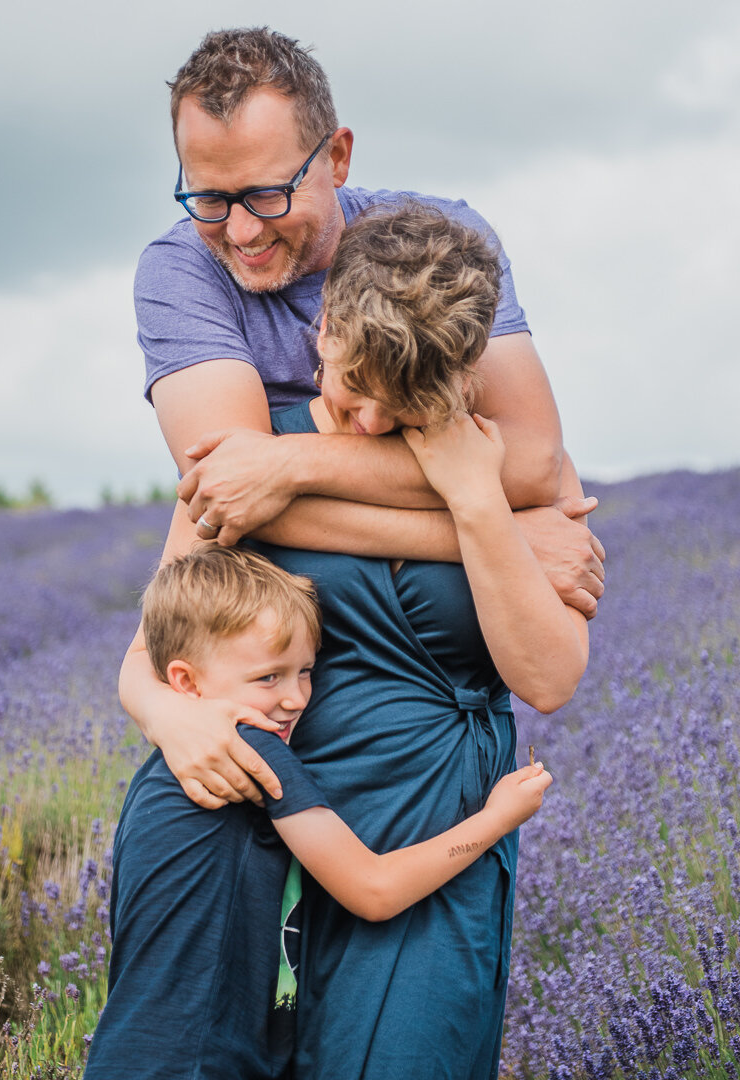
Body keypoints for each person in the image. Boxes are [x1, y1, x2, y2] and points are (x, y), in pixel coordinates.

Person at [120, 197, 589, 1078]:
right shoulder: (252, 464)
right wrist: (165, 714)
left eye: (407, 405)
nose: (372, 425)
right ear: (324, 328)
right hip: (260, 824)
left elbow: (552, 677)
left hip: (432, 823)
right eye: (357, 387)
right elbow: (157, 644)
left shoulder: (502, 471)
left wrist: (481, 502)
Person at [121, 26, 605, 812]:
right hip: (274, 736)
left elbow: (530, 463)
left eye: (269, 194)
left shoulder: (440, 253)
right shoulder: (181, 272)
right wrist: (503, 536)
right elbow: (232, 505)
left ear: (337, 156)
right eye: (210, 198)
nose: (241, 233)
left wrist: (293, 464)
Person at [85, 545, 552, 1080]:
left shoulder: (159, 774)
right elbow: (373, 890)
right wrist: (498, 818)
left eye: (305, 671)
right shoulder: (259, 754)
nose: (294, 698)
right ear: (186, 681)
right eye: (268, 678)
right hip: (201, 1063)